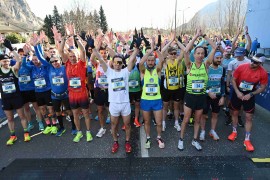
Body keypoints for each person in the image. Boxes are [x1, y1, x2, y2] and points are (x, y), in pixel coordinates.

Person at [92, 37, 139, 153]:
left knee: (127, 124)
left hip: (125, 103)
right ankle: (115, 142)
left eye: (120, 62)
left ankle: (127, 142)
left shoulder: (125, 72)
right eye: (115, 62)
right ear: (112, 62)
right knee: (114, 124)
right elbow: (99, 59)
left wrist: (137, 48)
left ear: (122, 63)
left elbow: (132, 58)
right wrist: (93, 47)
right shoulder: (109, 71)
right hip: (113, 104)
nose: (118, 64)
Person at [178, 29, 216, 151]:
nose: (200, 55)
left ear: (204, 55)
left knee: (198, 120)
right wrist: (195, 36)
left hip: (201, 97)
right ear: (194, 55)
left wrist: (204, 35)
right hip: (190, 96)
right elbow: (185, 50)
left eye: (202, 53)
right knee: (186, 119)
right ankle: (181, 139)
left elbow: (215, 47)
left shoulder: (206, 65)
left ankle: (194, 140)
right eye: (197, 53)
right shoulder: (189, 65)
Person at [228, 53, 268, 152]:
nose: (252, 63)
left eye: (256, 62)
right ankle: (234, 131)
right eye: (252, 60)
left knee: (249, 117)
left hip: (250, 94)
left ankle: (247, 139)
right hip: (238, 91)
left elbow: (262, 88)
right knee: (235, 112)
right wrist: (237, 92)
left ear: (261, 64)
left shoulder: (263, 73)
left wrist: (251, 94)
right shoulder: (242, 67)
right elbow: (233, 80)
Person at [59, 25, 92, 143]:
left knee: (86, 114)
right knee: (75, 115)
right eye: (71, 56)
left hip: (82, 93)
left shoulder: (82, 63)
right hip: (72, 95)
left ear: (78, 56)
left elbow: (82, 50)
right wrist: (63, 38)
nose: (72, 58)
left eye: (74, 56)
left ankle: (88, 132)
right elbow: (61, 51)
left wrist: (75, 37)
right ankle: (79, 133)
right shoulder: (67, 63)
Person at [0, 38, 31, 145]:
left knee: (21, 116)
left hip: (16, 97)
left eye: (8, 61)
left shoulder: (13, 69)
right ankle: (12, 135)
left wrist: (11, 49)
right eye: (4, 61)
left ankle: (26, 132)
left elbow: (19, 60)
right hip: (6, 98)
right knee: (9, 118)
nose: (6, 63)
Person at [139, 37, 165, 149]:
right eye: (148, 60)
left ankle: (159, 137)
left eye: (152, 60)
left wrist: (156, 50)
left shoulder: (157, 71)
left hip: (156, 100)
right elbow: (140, 62)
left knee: (159, 122)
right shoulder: (143, 71)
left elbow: (162, 59)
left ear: (155, 61)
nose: (150, 62)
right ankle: (148, 138)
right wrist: (149, 51)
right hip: (145, 100)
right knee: (147, 121)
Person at [200, 50, 225, 141]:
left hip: (217, 94)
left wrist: (222, 96)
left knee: (215, 113)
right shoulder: (206, 68)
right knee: (204, 114)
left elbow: (222, 83)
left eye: (220, 58)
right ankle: (202, 131)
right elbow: (201, 82)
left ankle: (212, 131)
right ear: (212, 58)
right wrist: (208, 92)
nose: (219, 60)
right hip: (206, 94)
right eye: (217, 58)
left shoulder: (222, 69)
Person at [226, 47, 251, 126]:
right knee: (231, 101)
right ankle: (230, 116)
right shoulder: (232, 63)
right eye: (237, 55)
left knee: (242, 101)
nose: (238, 57)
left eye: (240, 55)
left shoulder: (249, 62)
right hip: (234, 84)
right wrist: (227, 85)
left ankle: (239, 117)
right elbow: (229, 74)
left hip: (244, 85)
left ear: (244, 54)